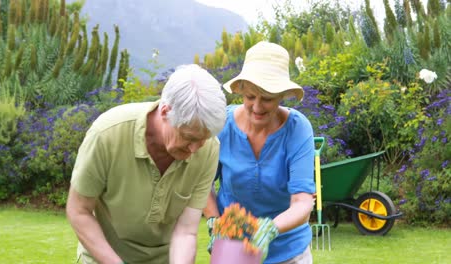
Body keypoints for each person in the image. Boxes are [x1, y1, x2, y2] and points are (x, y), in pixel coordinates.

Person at [66, 64, 227, 264]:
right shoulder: (107, 134)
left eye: (203, 139)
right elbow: (78, 210)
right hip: (103, 257)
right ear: (165, 112)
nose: (195, 149)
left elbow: (185, 231)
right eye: (188, 137)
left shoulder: (209, 149)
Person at [204, 41, 315, 264]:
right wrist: (214, 221)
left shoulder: (297, 129)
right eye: (250, 97)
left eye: (267, 99)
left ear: (282, 95)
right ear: (241, 90)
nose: (257, 106)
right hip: (232, 249)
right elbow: (201, 183)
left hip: (289, 251)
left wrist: (271, 228)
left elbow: (302, 202)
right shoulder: (222, 126)